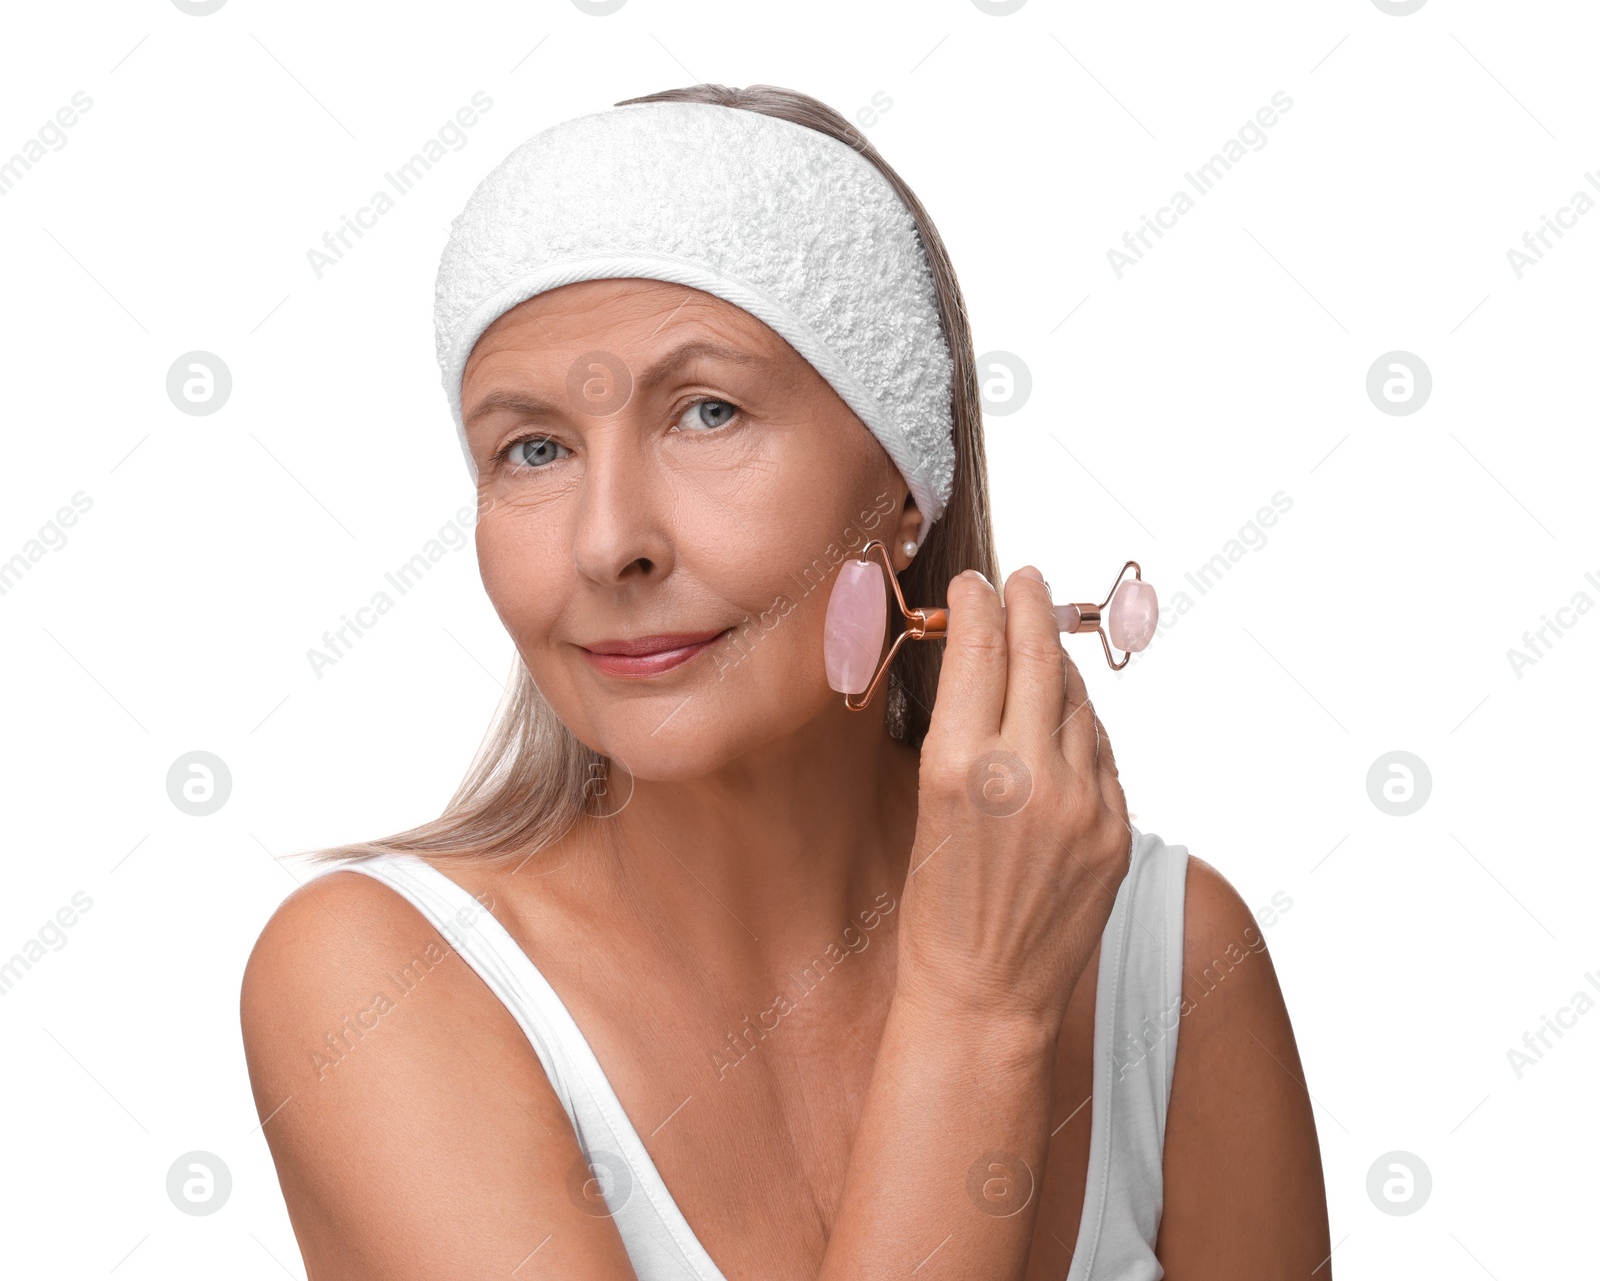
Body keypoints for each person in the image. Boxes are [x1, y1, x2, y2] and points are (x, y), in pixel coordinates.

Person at [240, 83, 1330, 1280]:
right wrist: (979, 1011)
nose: (609, 542)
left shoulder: (1171, 961)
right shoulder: (376, 983)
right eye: (534, 448)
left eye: (707, 411)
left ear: (906, 483)